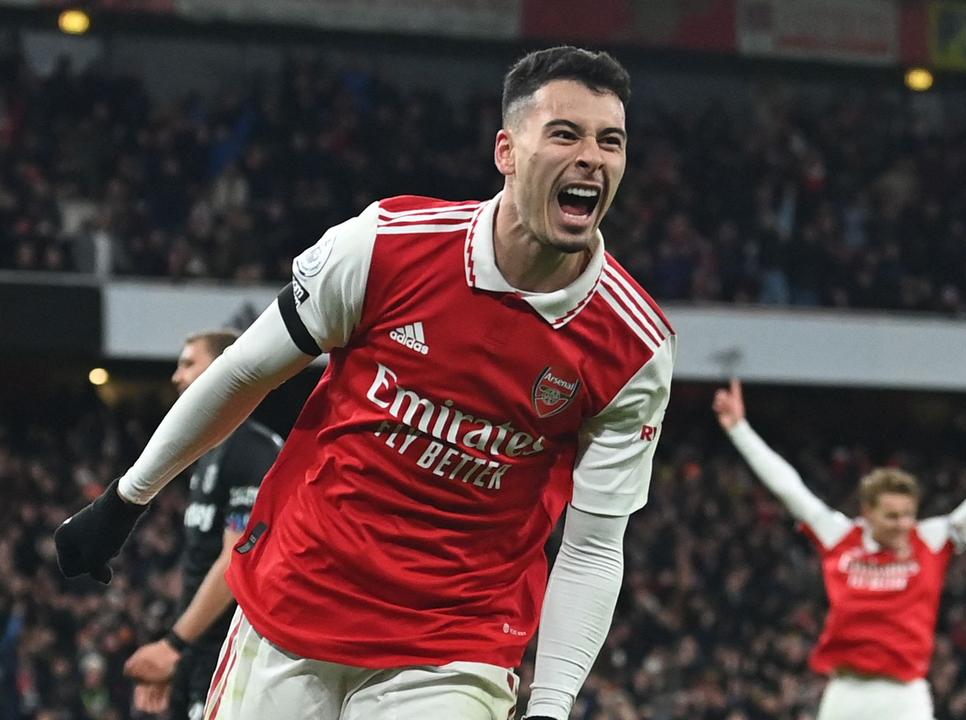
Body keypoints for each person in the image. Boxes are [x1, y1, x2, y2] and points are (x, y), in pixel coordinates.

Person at [55, 46, 675, 720]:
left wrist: (551, 706)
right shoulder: (384, 245)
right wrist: (126, 498)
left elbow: (592, 544)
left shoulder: (633, 346)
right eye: (566, 133)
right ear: (507, 150)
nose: (592, 157)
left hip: (453, 648)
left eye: (610, 141)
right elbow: (243, 371)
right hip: (295, 599)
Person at [711, 380, 966, 720]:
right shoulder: (841, 537)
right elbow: (789, 489)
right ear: (868, 512)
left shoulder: (930, 540)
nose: (902, 524)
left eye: (908, 515)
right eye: (892, 516)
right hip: (845, 692)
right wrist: (738, 429)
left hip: (904, 696)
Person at [123, 331, 281, 720]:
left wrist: (173, 645)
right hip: (200, 651)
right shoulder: (210, 453)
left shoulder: (252, 452)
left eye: (189, 364)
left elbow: (235, 559)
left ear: (223, 369)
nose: (177, 376)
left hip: (233, 651)